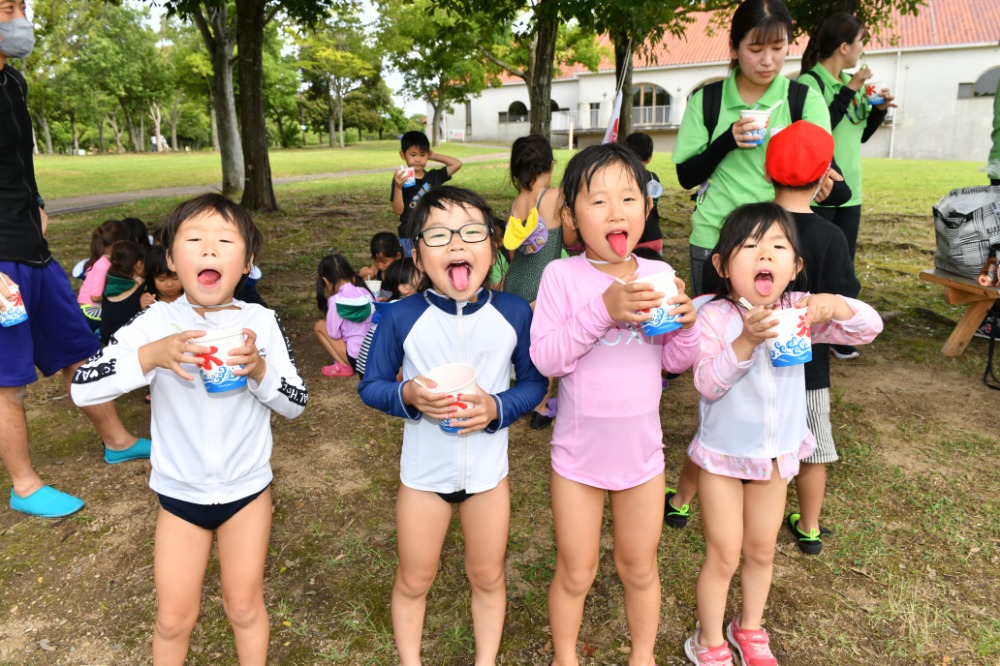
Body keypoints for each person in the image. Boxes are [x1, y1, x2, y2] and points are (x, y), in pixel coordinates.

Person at [71, 194, 308, 665]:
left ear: (248, 262)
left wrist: (260, 371)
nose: (209, 250)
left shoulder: (261, 321)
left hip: (248, 492)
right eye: (194, 241)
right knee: (173, 619)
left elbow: (296, 403)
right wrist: (149, 357)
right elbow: (82, 387)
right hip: (179, 497)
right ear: (172, 259)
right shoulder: (154, 321)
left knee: (244, 607)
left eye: (225, 241)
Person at [683, 202, 881, 666]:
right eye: (750, 246)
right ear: (721, 265)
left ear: (796, 267)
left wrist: (835, 304)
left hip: (774, 458)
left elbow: (869, 329)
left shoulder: (801, 313)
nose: (764, 255)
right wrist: (746, 341)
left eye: (777, 246)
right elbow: (707, 382)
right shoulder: (712, 315)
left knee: (760, 549)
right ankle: (708, 639)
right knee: (724, 554)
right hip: (722, 459)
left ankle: (748, 628)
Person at [359, 186, 547, 666]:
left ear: (493, 247)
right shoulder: (399, 316)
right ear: (417, 255)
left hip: (488, 478)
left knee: (488, 577)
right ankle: (410, 660)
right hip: (423, 480)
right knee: (414, 579)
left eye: (472, 232)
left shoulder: (513, 313)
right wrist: (408, 396)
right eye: (439, 235)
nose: (458, 244)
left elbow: (534, 383)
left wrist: (497, 408)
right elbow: (371, 384)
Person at [529, 143, 701, 666]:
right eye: (598, 200)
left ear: (645, 209)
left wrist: (688, 325)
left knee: (640, 567)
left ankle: (642, 656)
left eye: (629, 197)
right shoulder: (561, 276)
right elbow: (547, 360)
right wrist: (602, 311)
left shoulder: (658, 273)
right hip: (578, 460)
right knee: (576, 570)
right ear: (571, 217)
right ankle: (565, 655)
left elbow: (674, 360)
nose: (616, 210)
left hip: (643, 461)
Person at [0, 2, 150, 519]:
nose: (16, 18)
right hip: (0, 262)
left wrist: (38, 207)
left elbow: (20, 161)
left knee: (77, 350)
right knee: (6, 380)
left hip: (34, 254)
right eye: (4, 8)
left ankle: (117, 440)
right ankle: (24, 486)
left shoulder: (13, 82)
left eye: (19, 6)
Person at [673, 0, 833, 296]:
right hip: (716, 238)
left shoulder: (804, 100)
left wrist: (822, 182)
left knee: (777, 334)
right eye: (756, 49)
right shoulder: (707, 102)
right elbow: (686, 176)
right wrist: (726, 141)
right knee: (713, 333)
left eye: (777, 47)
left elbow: (822, 165)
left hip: (781, 242)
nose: (768, 60)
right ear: (734, 48)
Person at [763, 120, 862, 556]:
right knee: (815, 448)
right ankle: (810, 526)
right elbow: (846, 298)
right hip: (811, 367)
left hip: (756, 358)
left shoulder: (752, 225)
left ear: (768, 171)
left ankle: (756, 517)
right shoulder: (832, 236)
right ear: (825, 178)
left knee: (761, 444)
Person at [800, 12, 895, 359]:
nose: (861, 50)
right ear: (843, 46)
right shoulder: (811, 84)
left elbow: (859, 134)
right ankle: (806, 329)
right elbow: (823, 127)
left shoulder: (852, 86)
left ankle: (839, 333)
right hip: (822, 186)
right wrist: (850, 89)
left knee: (843, 263)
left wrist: (879, 111)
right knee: (813, 261)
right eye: (859, 42)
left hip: (851, 189)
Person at [503, 134, 577, 430]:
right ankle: (541, 406)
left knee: (524, 344)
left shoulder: (517, 201)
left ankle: (522, 396)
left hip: (516, 283)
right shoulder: (555, 196)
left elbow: (511, 251)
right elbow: (569, 241)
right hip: (544, 284)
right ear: (551, 163)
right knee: (547, 346)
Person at [390, 130, 462, 257]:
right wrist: (398, 187)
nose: (418, 159)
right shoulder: (403, 178)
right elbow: (398, 211)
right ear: (403, 155)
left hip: (433, 231)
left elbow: (456, 164)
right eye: (413, 155)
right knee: (411, 269)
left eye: (422, 155)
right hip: (409, 234)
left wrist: (433, 155)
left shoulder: (434, 177)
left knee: (432, 266)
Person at [355, 257, 420, 377]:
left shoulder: (395, 304)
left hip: (366, 368)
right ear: (404, 288)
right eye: (419, 274)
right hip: (376, 374)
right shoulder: (407, 310)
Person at [313, 253, 375, 378]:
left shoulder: (335, 301)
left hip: (356, 357)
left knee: (319, 326)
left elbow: (333, 334)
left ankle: (344, 365)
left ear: (325, 281)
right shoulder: (366, 292)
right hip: (375, 352)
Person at [77, 218, 132, 332]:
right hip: (90, 310)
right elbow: (95, 296)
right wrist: (119, 296)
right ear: (120, 243)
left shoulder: (102, 259)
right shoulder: (104, 265)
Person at [623, 132, 665, 255]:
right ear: (649, 158)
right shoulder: (653, 178)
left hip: (629, 238)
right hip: (654, 236)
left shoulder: (621, 179)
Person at [99, 240, 147, 346]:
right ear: (139, 265)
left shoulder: (109, 286)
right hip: (130, 344)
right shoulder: (143, 288)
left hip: (107, 342)